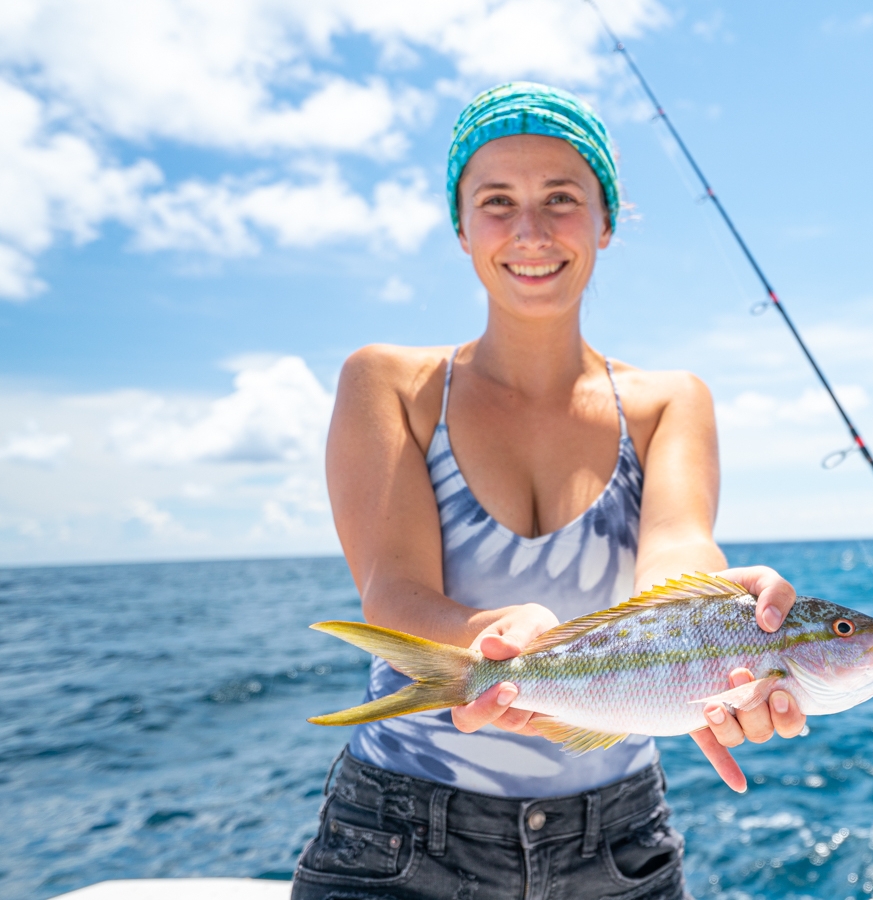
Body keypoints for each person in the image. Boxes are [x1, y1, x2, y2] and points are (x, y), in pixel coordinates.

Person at [290, 83, 806, 900]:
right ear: (461, 227)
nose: (529, 231)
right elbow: (393, 588)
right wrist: (487, 632)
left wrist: (719, 610)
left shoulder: (671, 400)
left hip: (617, 844)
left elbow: (676, 555)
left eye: (561, 199)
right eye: (497, 201)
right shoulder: (386, 383)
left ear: (605, 220)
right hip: (396, 833)